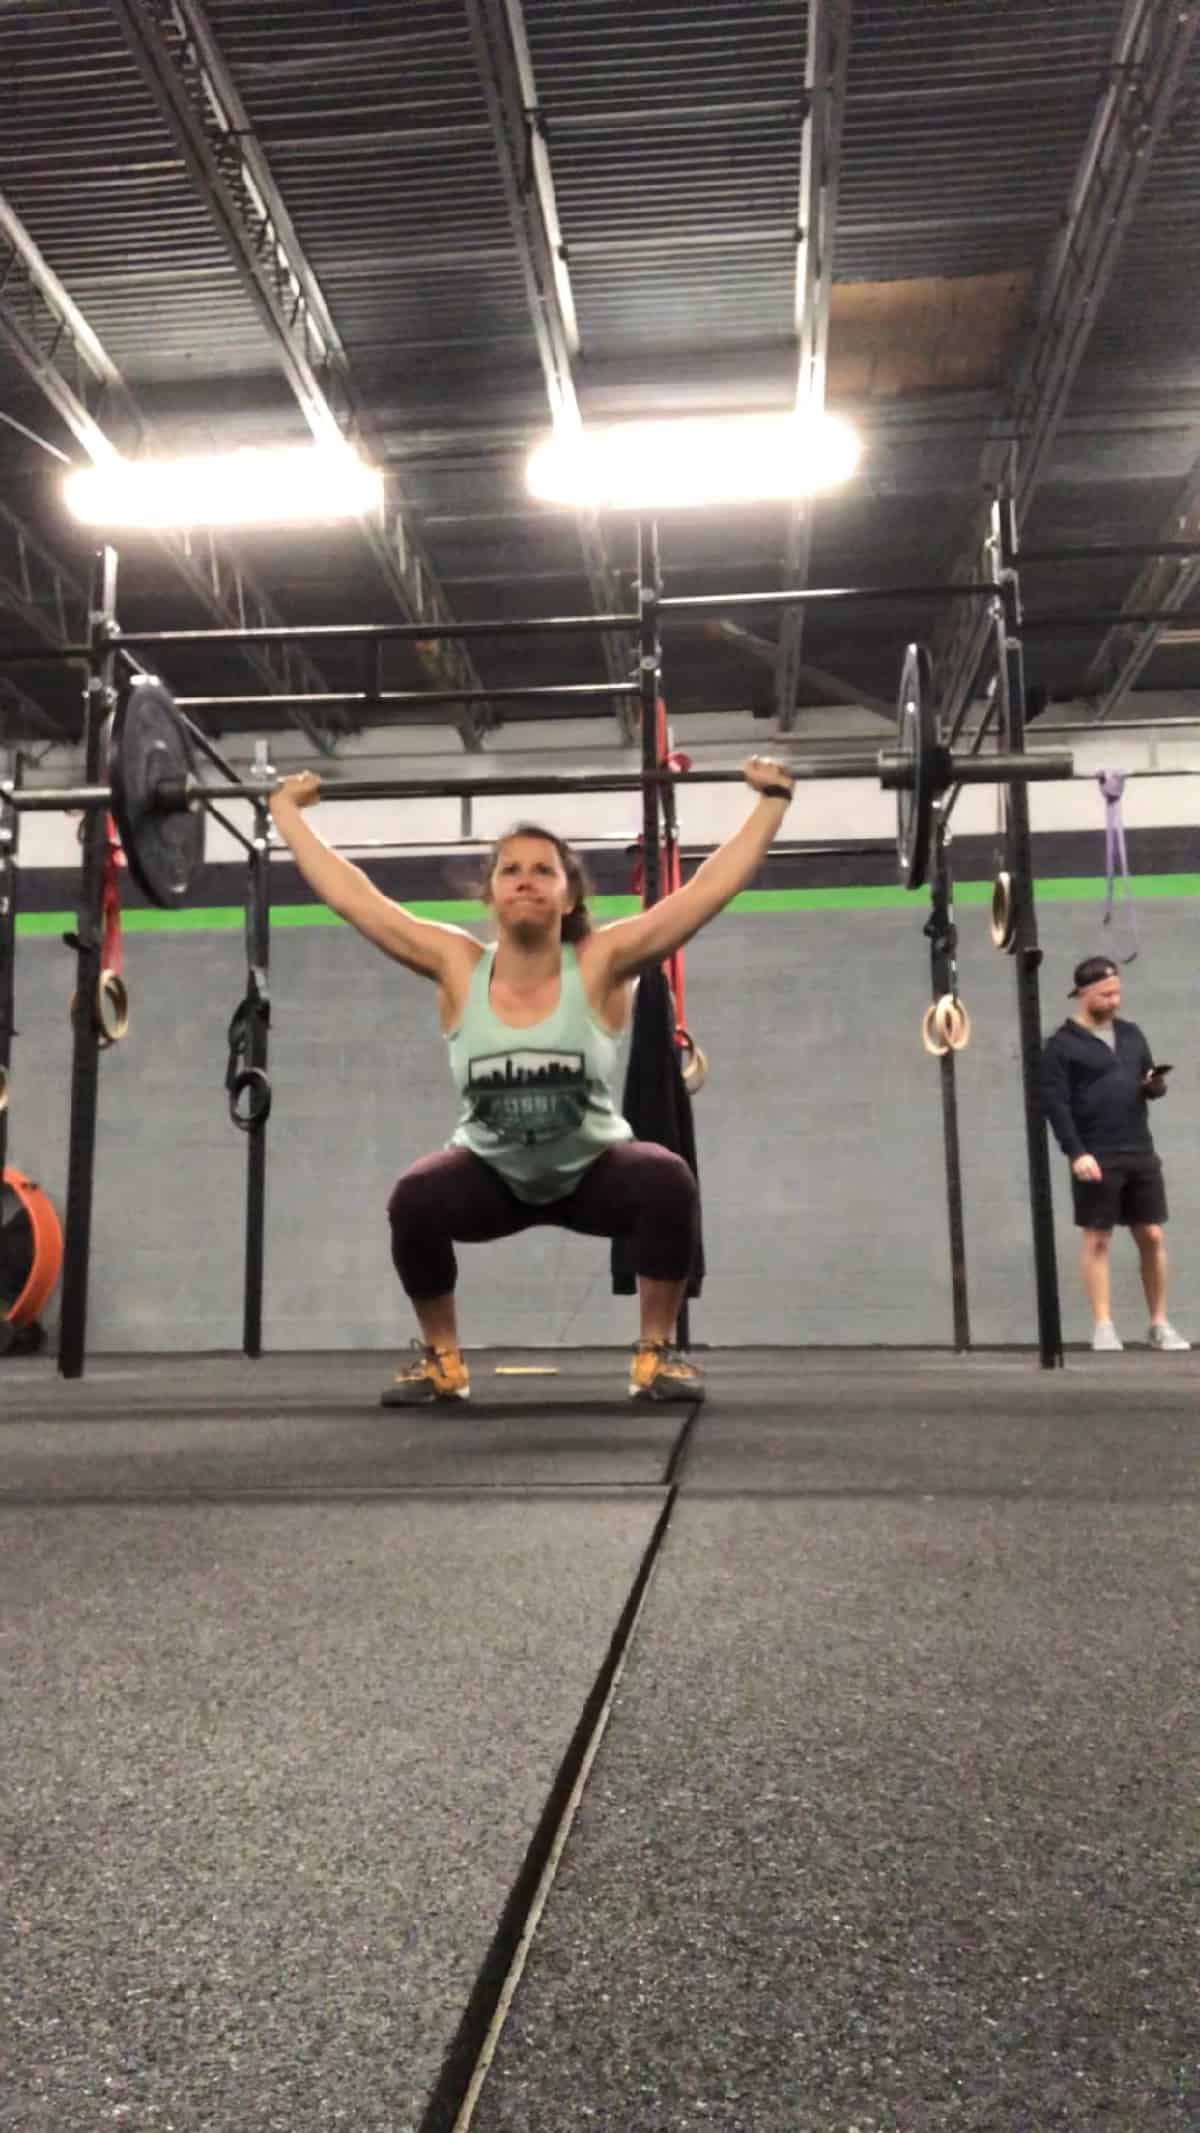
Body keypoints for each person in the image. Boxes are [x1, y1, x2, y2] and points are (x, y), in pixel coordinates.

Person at [268, 756, 797, 1404]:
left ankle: (655, 1354)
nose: (525, 879)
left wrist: (771, 802)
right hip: (490, 1175)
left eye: (544, 870)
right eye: (510, 869)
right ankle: (442, 1361)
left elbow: (703, 896)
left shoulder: (600, 963)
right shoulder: (456, 964)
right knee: (415, 1199)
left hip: (592, 1172)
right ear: (490, 893)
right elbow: (356, 900)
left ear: (568, 896)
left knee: (666, 1179)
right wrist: (285, 814)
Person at [1040, 955, 1189, 1353]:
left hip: (1139, 1148)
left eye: (1117, 992)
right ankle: (1103, 1326)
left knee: (1152, 1234)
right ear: (1083, 992)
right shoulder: (1061, 1046)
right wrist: (1076, 1153)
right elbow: (1055, 1105)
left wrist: (1154, 1086)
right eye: (1106, 994)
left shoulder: (1131, 1034)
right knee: (1098, 1239)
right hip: (1096, 1152)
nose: (1114, 1000)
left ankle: (1158, 1323)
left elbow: (1150, 1084)